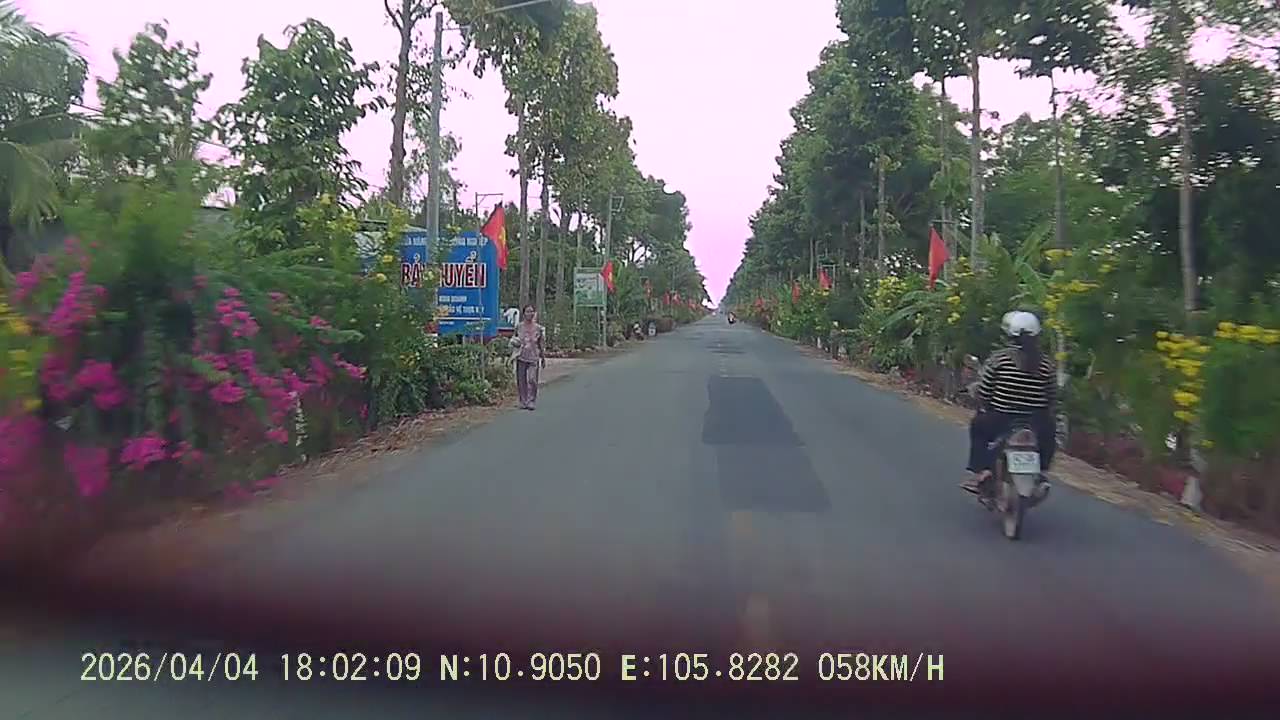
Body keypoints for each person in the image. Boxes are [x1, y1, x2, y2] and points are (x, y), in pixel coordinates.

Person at [961, 310, 1058, 494]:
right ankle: (1041, 471)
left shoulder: (999, 359)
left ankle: (982, 470)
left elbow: (985, 392)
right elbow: (1051, 396)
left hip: (1001, 419)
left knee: (977, 427)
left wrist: (983, 403)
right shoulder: (1047, 365)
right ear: (1037, 335)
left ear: (1010, 335)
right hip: (1035, 423)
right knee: (1050, 433)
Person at [511, 304, 546, 411]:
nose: (529, 314)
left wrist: (543, 358)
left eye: (531, 311)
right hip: (521, 356)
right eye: (527, 311)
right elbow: (514, 340)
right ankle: (523, 401)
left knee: (532, 379)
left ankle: (531, 401)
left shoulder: (538, 328)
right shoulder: (519, 327)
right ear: (524, 313)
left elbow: (541, 344)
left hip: (534, 357)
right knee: (521, 380)